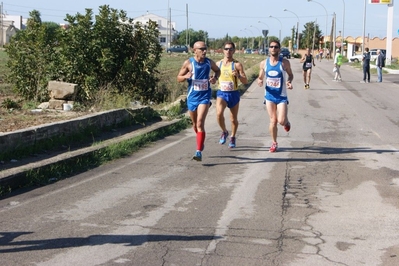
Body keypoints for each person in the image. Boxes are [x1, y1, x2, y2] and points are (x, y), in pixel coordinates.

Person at [177, 41, 221, 161]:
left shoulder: (209, 62)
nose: (204, 51)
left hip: (204, 97)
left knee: (200, 123)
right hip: (192, 97)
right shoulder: (188, 63)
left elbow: (218, 70)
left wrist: (214, 78)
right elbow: (178, 77)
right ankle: (200, 140)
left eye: (205, 49)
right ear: (194, 50)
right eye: (201, 49)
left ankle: (198, 151)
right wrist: (185, 77)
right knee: (195, 124)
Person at [257, 40, 294, 153]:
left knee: (281, 121)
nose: (273, 48)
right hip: (269, 96)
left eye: (276, 47)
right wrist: (260, 80)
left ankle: (286, 123)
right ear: (269, 49)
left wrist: (289, 81)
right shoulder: (264, 63)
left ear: (279, 49)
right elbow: (260, 76)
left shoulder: (285, 63)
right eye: (271, 46)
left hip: (281, 96)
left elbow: (291, 75)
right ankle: (274, 143)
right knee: (273, 120)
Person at [215, 41, 248, 148]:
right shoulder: (218, 64)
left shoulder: (237, 64)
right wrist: (212, 79)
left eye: (230, 49)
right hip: (222, 93)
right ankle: (224, 131)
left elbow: (245, 81)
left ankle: (233, 136)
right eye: (226, 49)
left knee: (233, 119)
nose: (228, 51)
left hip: (233, 93)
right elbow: (214, 77)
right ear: (222, 50)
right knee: (219, 113)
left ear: (234, 51)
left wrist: (238, 76)